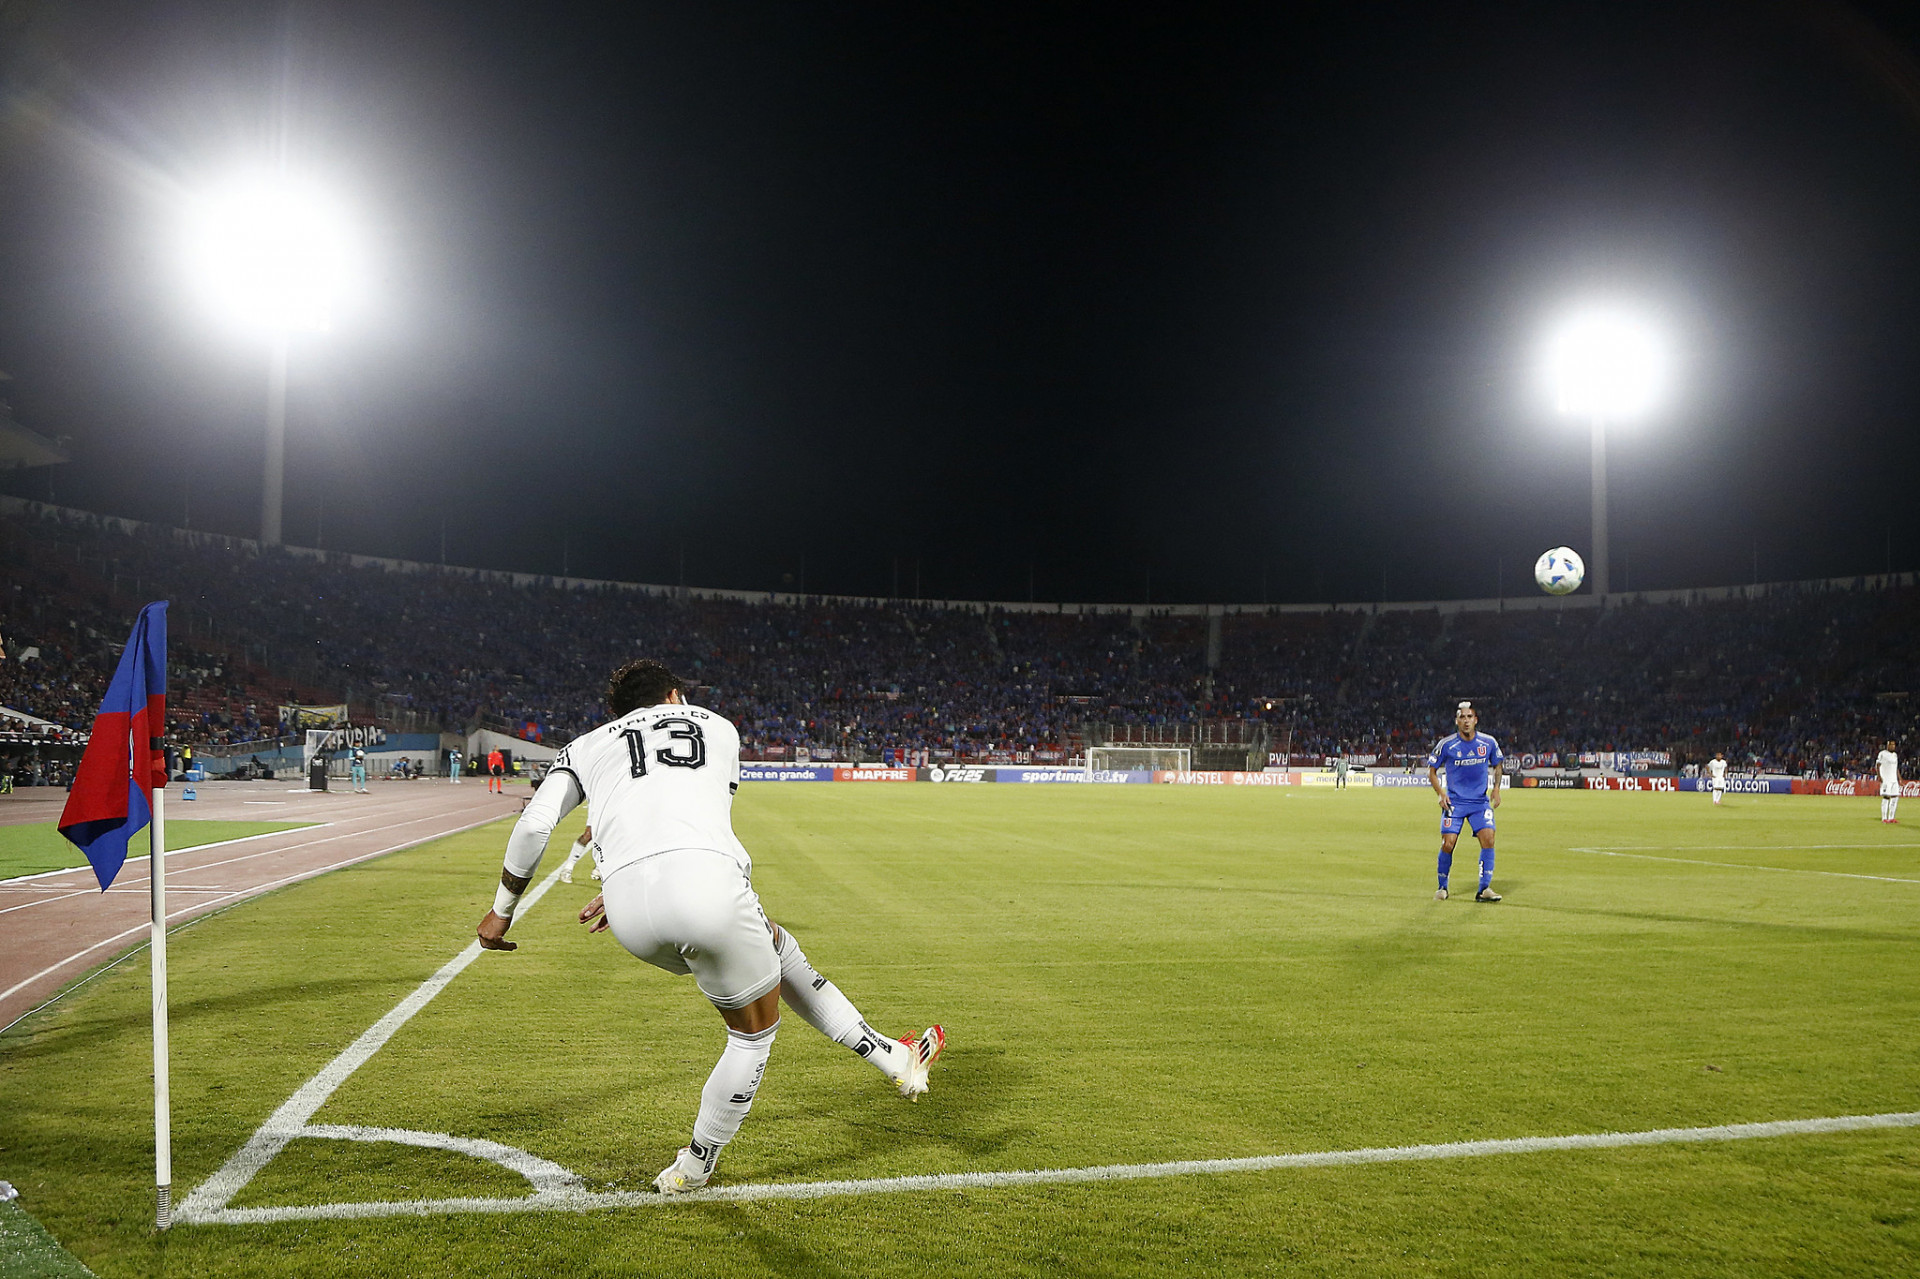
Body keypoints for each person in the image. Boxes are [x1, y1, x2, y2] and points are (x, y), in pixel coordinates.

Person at [475, 659, 944, 1193]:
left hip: (627, 910)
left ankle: (894, 1058)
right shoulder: (717, 726)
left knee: (774, 944)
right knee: (751, 1037)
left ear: (619, 712)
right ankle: (694, 1166)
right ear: (674, 697)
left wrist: (502, 911)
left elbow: (535, 824)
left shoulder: (584, 746)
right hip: (706, 889)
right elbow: (691, 809)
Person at [1426, 700, 1503, 902]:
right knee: (1448, 844)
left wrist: (1496, 788)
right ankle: (1442, 887)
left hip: (1479, 803)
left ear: (1475, 720)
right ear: (1457, 721)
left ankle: (1484, 889)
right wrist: (1440, 793)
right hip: (1455, 803)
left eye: (1470, 717)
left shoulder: (1488, 743)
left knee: (1489, 839)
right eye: (1462, 717)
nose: (1466, 721)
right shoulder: (1447, 744)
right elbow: (1432, 772)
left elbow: (1498, 765)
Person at [1878, 739, 1901, 825]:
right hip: (1886, 779)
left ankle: (1891, 817)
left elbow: (1896, 768)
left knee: (1895, 797)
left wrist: (1900, 778)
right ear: (1887, 745)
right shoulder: (1882, 754)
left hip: (1894, 779)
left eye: (1894, 745)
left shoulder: (1895, 755)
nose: (1892, 746)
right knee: (1886, 797)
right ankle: (1884, 818)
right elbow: (1877, 765)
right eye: (1891, 745)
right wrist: (1879, 776)